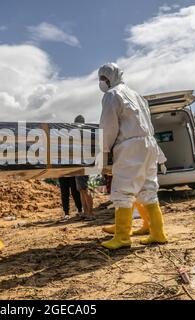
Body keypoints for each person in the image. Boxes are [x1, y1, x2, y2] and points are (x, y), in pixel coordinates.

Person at [97, 63, 168, 250]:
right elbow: (148, 124)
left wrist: (104, 151)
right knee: (148, 189)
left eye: (102, 79)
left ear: (109, 78)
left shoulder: (112, 95)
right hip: (149, 144)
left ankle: (122, 237)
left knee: (123, 190)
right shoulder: (137, 95)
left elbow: (108, 126)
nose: (101, 83)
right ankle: (158, 233)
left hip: (130, 145)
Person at [101, 146, 168, 236]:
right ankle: (147, 226)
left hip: (132, 156)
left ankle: (124, 231)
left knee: (127, 193)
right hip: (139, 154)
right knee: (136, 194)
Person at [73, 115, 95, 220]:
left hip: (86, 163)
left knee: (86, 189)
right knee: (81, 190)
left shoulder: (87, 134)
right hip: (79, 163)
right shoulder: (77, 135)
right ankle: (86, 212)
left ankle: (90, 213)